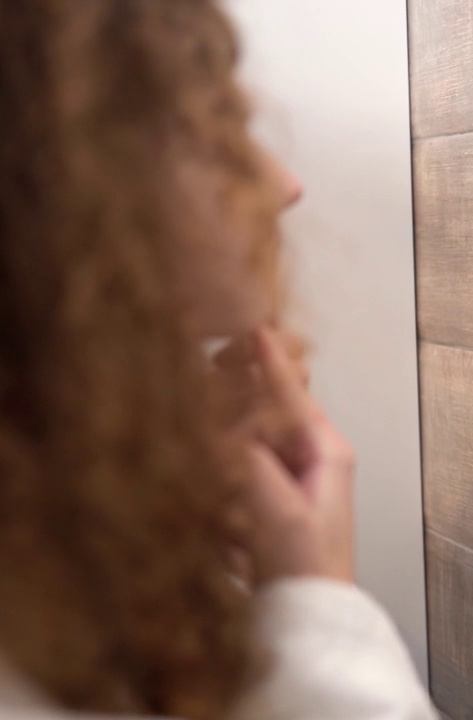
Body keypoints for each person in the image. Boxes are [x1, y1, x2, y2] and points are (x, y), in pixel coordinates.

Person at [0, 2, 437, 718]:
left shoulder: (59, 520)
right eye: (216, 130)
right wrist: (315, 607)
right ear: (53, 183)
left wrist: (170, 506)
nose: (283, 185)